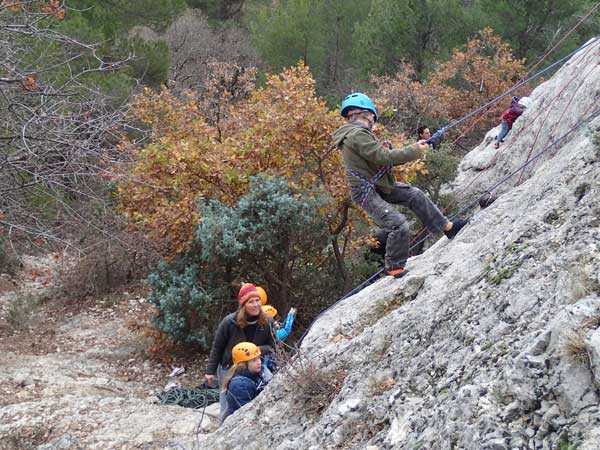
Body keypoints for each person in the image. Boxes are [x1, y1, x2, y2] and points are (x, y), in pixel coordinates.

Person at [333, 92, 468, 278]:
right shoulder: (357, 134)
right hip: (367, 192)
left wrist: (412, 148)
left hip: (377, 184)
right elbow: (383, 157)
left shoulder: (355, 134)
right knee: (398, 224)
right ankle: (394, 266)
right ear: (366, 114)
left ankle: (447, 227)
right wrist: (415, 151)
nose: (373, 120)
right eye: (372, 116)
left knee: (414, 195)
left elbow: (377, 157)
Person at [204, 283, 276, 424]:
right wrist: (210, 371)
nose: (256, 305)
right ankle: (222, 430)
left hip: (255, 366)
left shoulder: (267, 321)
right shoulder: (229, 322)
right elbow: (217, 347)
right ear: (243, 305)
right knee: (226, 406)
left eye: (257, 300)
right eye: (251, 302)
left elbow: (274, 346)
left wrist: (254, 350)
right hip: (229, 367)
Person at [224, 342, 268, 416]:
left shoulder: (255, 373)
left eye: (259, 358)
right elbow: (246, 410)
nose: (259, 362)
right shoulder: (239, 385)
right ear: (243, 364)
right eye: (254, 360)